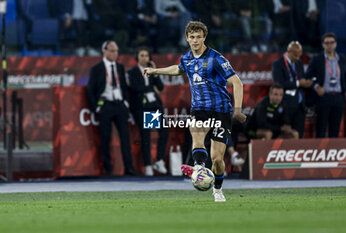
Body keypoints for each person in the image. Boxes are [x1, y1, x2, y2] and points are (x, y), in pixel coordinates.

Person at [144, 21, 246, 202]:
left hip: (221, 110)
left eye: (199, 37)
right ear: (187, 38)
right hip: (199, 109)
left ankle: (217, 189)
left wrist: (237, 110)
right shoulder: (186, 58)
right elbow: (178, 69)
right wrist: (155, 71)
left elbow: (237, 82)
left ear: (204, 37)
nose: (195, 40)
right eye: (192, 37)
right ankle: (198, 168)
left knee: (217, 159)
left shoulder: (216, 58)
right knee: (197, 134)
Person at [87, 41, 137, 176]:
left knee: (125, 138)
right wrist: (96, 107)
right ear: (104, 51)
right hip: (106, 105)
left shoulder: (120, 67)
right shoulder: (96, 69)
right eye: (112, 51)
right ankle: (108, 168)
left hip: (120, 105)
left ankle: (129, 168)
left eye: (116, 51)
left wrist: (126, 103)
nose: (115, 54)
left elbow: (124, 87)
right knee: (105, 138)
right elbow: (90, 89)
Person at [128, 47, 169, 176]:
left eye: (146, 55)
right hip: (142, 106)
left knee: (163, 130)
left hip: (154, 105)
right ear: (137, 57)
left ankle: (159, 160)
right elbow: (136, 88)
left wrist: (155, 73)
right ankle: (147, 165)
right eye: (142, 55)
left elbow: (161, 87)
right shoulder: (133, 72)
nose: (144, 58)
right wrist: (150, 89)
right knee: (146, 135)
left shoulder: (152, 71)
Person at [305, 32, 346, 138]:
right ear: (323, 45)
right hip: (323, 97)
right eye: (327, 43)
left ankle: (332, 153)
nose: (329, 45)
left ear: (336, 44)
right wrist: (316, 87)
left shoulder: (342, 58)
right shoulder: (317, 59)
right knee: (321, 130)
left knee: (335, 130)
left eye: (332, 42)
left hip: (339, 97)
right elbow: (308, 76)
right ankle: (320, 153)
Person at [272, 41, 313, 138]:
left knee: (299, 134)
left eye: (299, 56)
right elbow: (279, 83)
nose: (298, 58)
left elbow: (301, 78)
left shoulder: (299, 63)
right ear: (288, 51)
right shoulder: (277, 64)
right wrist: (298, 83)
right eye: (295, 55)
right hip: (287, 105)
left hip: (300, 104)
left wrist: (306, 82)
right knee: (287, 135)